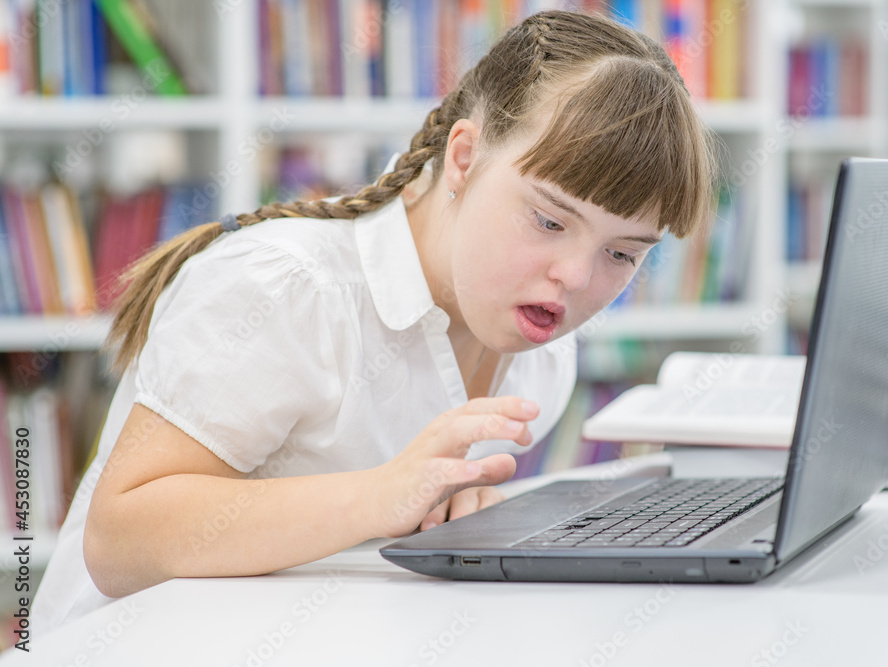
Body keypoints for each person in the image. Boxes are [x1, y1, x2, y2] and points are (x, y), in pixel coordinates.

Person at [32, 9, 716, 634]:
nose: (576, 277)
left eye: (622, 253)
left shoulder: (543, 354)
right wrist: (381, 495)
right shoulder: (288, 288)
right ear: (464, 157)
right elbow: (118, 540)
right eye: (547, 219)